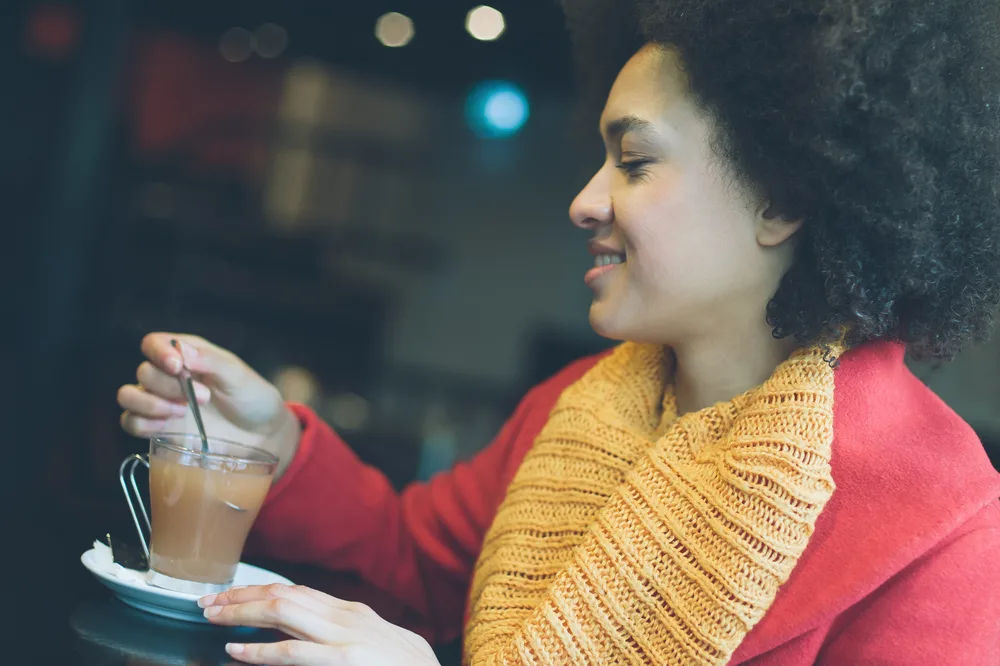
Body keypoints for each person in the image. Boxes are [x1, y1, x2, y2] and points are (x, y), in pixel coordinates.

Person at [116, 1, 1000, 664]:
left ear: (785, 199)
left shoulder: (945, 534)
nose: (584, 200)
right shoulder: (583, 405)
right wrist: (271, 446)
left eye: (635, 161)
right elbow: (415, 566)